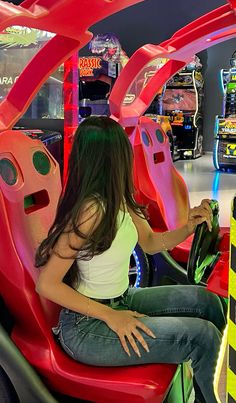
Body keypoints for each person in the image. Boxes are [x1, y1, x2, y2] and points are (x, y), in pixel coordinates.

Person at [35, 116, 226, 403]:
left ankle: (210, 382)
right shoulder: (90, 212)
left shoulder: (118, 200)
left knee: (207, 301)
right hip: (86, 327)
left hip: (120, 299)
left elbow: (151, 243)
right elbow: (47, 284)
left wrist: (188, 226)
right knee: (202, 337)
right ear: (112, 159)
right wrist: (112, 316)